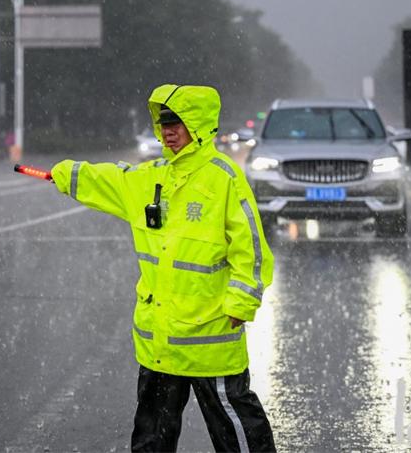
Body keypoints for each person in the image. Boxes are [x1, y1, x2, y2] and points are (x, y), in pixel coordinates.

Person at [50, 84, 276, 452]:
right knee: (152, 435)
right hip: (159, 338)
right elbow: (110, 179)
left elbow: (250, 248)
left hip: (210, 336)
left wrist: (240, 304)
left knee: (236, 429)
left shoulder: (224, 178)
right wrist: (64, 175)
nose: (168, 130)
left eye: (178, 122)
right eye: (163, 122)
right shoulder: (152, 177)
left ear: (199, 125)